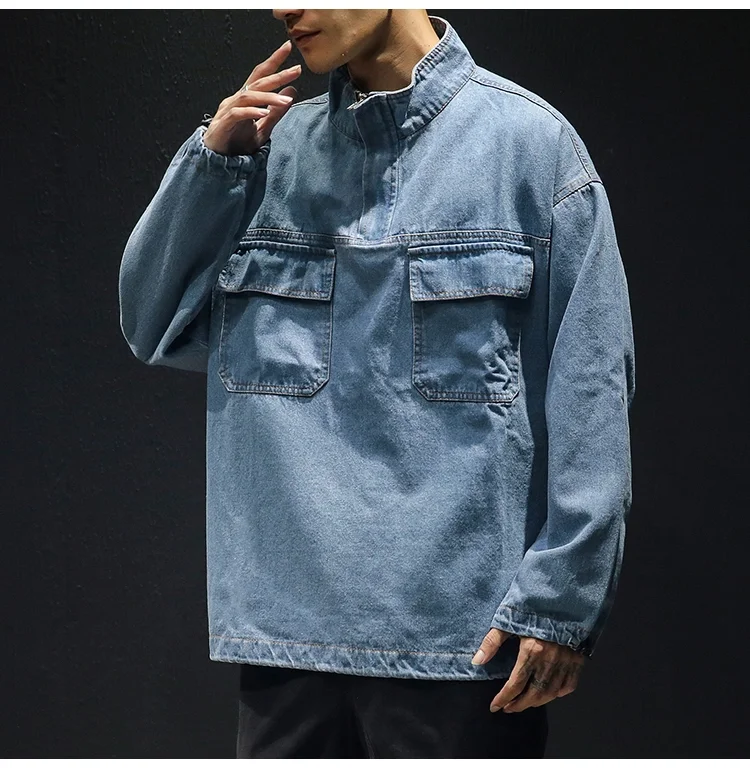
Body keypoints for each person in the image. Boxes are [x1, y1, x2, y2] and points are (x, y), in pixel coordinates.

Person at [118, 9, 635, 759]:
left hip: (464, 646)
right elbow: (150, 323)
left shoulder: (531, 148)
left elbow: (593, 390)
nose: (284, 8)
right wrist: (212, 165)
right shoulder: (266, 153)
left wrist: (562, 601)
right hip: (285, 643)